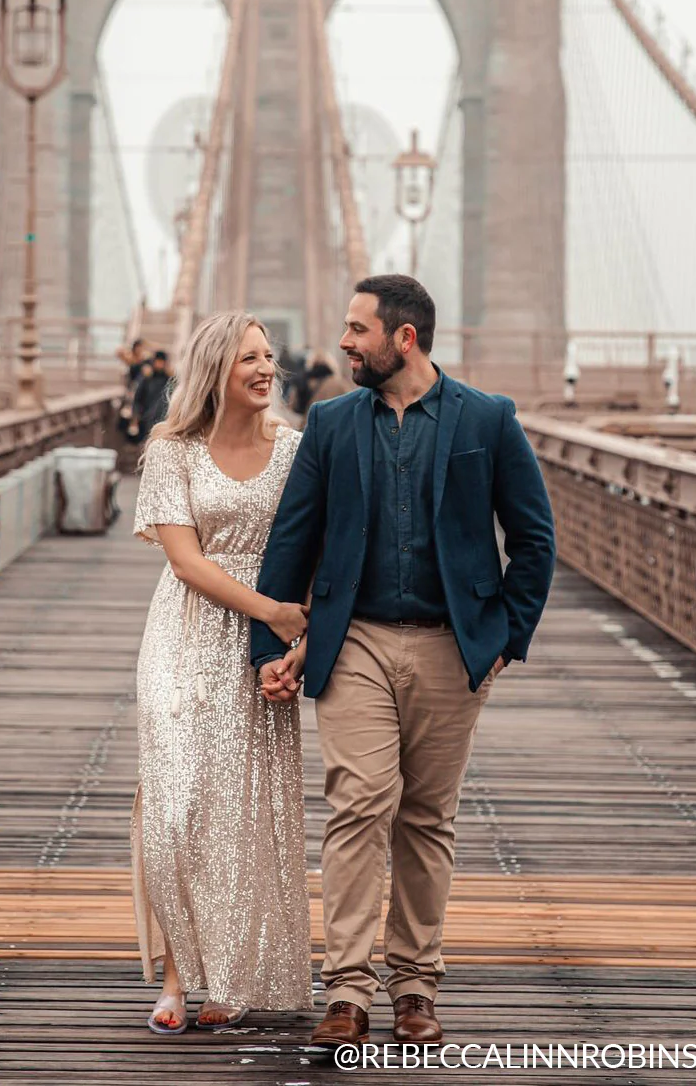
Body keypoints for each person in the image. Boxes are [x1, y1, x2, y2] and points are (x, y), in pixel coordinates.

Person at [250, 274, 556, 1049]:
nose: (344, 342)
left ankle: (416, 985)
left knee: (426, 817)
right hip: (354, 640)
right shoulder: (331, 423)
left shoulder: (488, 418)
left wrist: (506, 639)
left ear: (404, 338)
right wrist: (270, 646)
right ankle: (348, 990)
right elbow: (293, 538)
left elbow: (534, 539)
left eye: (358, 329)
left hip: (455, 647)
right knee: (359, 804)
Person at [131, 312, 313, 1036]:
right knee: (176, 808)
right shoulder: (171, 450)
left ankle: (232, 972)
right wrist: (276, 611)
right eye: (249, 359)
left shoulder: (296, 451)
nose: (267, 369)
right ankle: (178, 971)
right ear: (215, 369)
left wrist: (293, 642)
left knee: (241, 810)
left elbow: (313, 548)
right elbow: (185, 561)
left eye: (269, 356)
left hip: (260, 650)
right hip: (184, 635)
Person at [130, 349, 170, 443]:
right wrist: (135, 419)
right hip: (146, 420)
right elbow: (137, 399)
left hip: (163, 421)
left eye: (161, 362)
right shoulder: (147, 379)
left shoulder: (168, 380)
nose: (159, 364)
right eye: (158, 361)